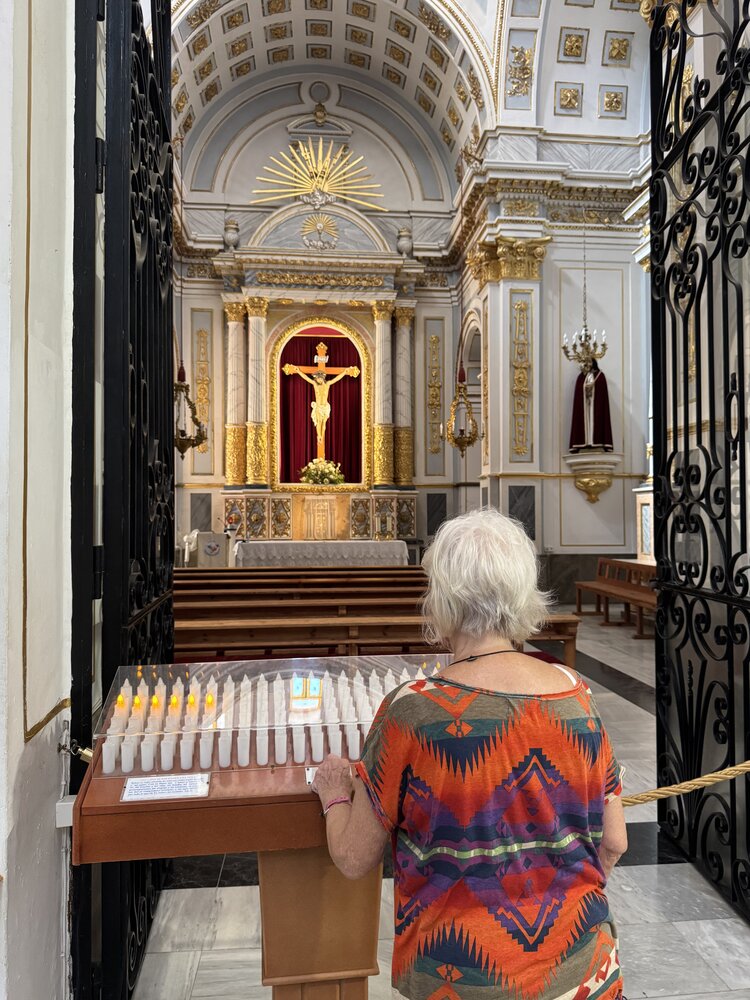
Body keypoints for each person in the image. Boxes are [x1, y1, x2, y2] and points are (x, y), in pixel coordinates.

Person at [312, 509, 627, 1000]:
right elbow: (615, 841)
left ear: (441, 597)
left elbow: (354, 859)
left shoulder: (412, 711)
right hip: (586, 975)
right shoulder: (577, 694)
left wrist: (334, 794)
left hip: (461, 981)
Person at [569, 358, 614, 452]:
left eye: (590, 362)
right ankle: (584, 442)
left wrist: (593, 388)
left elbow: (602, 393)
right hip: (585, 405)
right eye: (586, 362)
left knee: (596, 420)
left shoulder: (600, 376)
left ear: (594, 363)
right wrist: (584, 389)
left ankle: (597, 442)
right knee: (583, 420)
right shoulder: (581, 377)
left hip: (596, 405)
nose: (588, 364)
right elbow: (579, 392)